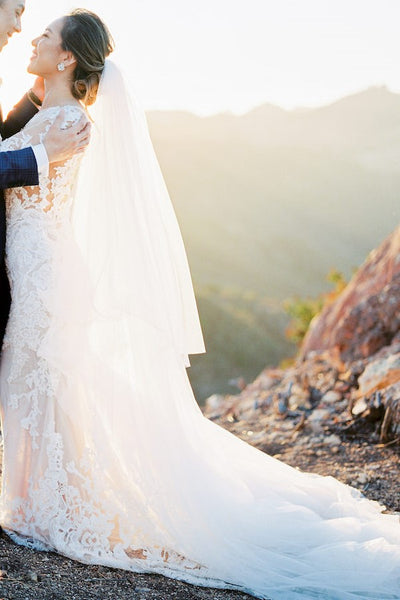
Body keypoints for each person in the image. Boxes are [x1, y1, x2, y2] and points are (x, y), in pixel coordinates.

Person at [0, 9, 399, 600]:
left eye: (45, 34)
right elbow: (13, 145)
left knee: (44, 375)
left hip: (41, 268)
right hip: (29, 260)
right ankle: (33, 495)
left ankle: (49, 502)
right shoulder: (44, 112)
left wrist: (38, 127)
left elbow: (31, 171)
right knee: (34, 374)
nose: (31, 36)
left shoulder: (74, 125)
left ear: (66, 57)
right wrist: (33, 108)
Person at [0, 0, 91, 343]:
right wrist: (41, 154)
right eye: (18, 11)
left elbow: (2, 142)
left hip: (31, 272)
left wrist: (33, 103)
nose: (21, 29)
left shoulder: (68, 120)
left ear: (67, 57)